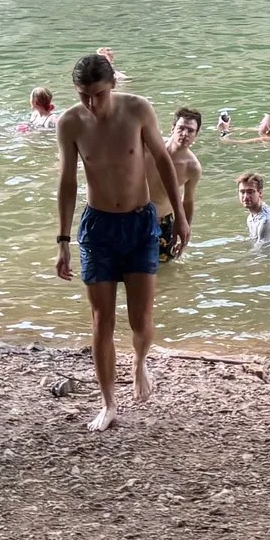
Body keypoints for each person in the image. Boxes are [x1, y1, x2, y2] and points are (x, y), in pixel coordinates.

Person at [53, 52, 186, 431]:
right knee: (102, 321)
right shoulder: (70, 122)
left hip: (140, 223)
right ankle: (108, 403)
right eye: (83, 95)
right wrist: (63, 241)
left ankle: (140, 362)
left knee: (141, 320)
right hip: (97, 228)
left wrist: (179, 216)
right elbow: (67, 182)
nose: (91, 103)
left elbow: (163, 161)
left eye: (98, 94)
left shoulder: (138, 109)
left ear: (112, 85)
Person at [150, 106, 204, 257]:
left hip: (163, 220)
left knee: (164, 266)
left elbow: (188, 200)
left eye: (190, 131)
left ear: (196, 135)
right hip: (135, 215)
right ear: (173, 128)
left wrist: (186, 227)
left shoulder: (192, 167)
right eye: (181, 128)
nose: (185, 134)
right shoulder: (152, 147)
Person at [237, 172, 270, 245]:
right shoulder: (251, 217)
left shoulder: (266, 220)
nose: (245, 197)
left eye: (250, 192)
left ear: (260, 192)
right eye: (242, 192)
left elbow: (262, 250)